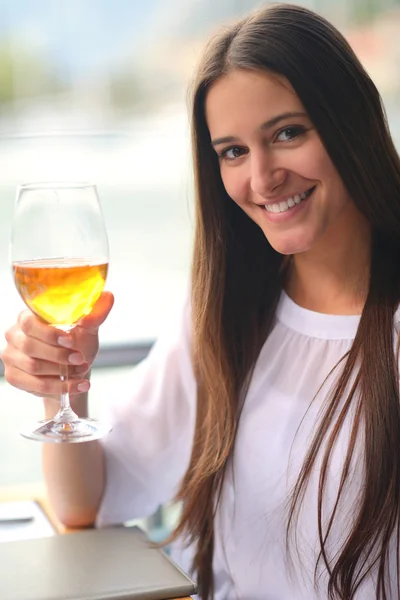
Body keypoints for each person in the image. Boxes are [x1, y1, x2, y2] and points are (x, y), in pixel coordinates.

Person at [3, 2, 400, 599]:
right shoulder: (224, 311)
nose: (262, 178)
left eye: (288, 133)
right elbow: (86, 502)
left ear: (352, 123)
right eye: (233, 152)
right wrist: (64, 385)